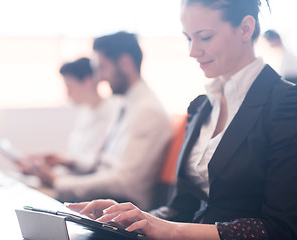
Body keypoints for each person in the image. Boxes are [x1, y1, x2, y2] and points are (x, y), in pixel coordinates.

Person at [66, 0, 297, 239]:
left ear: (245, 29)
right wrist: (133, 218)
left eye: (205, 37)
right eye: (188, 38)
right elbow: (183, 207)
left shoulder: (286, 104)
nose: (192, 51)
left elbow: (279, 228)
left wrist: (174, 230)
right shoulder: (202, 107)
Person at [30, 32, 172, 210]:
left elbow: (124, 182)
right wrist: (68, 164)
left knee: (34, 202)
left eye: (102, 68)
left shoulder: (147, 111)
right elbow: (103, 164)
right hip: (105, 199)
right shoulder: (127, 104)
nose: (99, 78)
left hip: (121, 207)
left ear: (125, 63)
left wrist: (60, 182)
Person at [22, 57, 121, 178]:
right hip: (71, 178)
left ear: (88, 82)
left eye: (69, 87)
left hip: (87, 183)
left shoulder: (111, 113)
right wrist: (49, 165)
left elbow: (94, 163)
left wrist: (63, 162)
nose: (67, 94)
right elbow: (76, 156)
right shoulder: (86, 112)